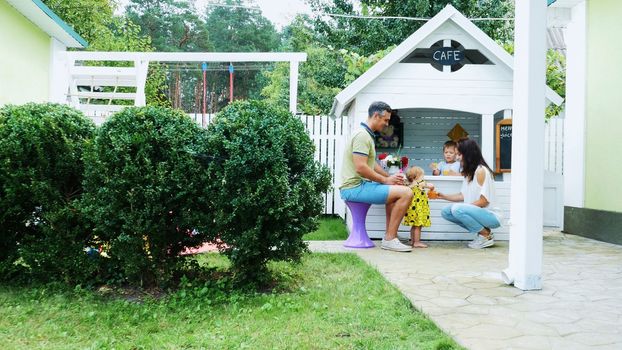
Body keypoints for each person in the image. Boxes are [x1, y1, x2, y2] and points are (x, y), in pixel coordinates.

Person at [339, 101, 414, 252]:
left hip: (358, 186)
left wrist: (391, 178)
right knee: (407, 193)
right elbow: (361, 168)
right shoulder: (362, 136)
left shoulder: (365, 134)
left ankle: (391, 235)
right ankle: (390, 239)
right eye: (385, 120)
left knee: (396, 190)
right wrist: (386, 180)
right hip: (353, 188)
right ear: (375, 116)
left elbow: (371, 164)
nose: (387, 124)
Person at [436, 139, 502, 249]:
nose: (457, 157)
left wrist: (463, 208)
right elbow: (462, 196)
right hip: (478, 213)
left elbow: (484, 201)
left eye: (459, 154)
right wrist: (443, 196)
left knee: (457, 209)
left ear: (468, 154)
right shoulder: (469, 172)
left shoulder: (481, 170)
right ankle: (483, 232)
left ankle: (485, 235)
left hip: (492, 216)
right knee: (446, 212)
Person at [403, 166, 434, 248]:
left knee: (414, 226)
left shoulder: (410, 185)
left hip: (412, 209)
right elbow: (431, 185)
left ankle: (413, 241)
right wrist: (431, 187)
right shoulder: (421, 183)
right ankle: (417, 242)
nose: (423, 177)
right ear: (417, 176)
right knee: (418, 226)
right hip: (418, 209)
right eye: (422, 175)